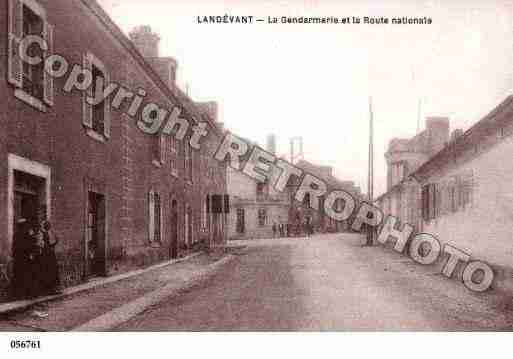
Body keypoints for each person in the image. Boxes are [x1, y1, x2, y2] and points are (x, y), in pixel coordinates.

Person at [40, 220, 61, 295]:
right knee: (48, 272)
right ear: (45, 226)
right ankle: (48, 289)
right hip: (46, 255)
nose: (49, 227)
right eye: (48, 226)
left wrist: (54, 243)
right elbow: (42, 245)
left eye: (49, 225)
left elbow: (50, 244)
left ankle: (54, 288)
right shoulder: (42, 234)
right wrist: (49, 246)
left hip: (50, 255)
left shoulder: (49, 233)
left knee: (53, 271)